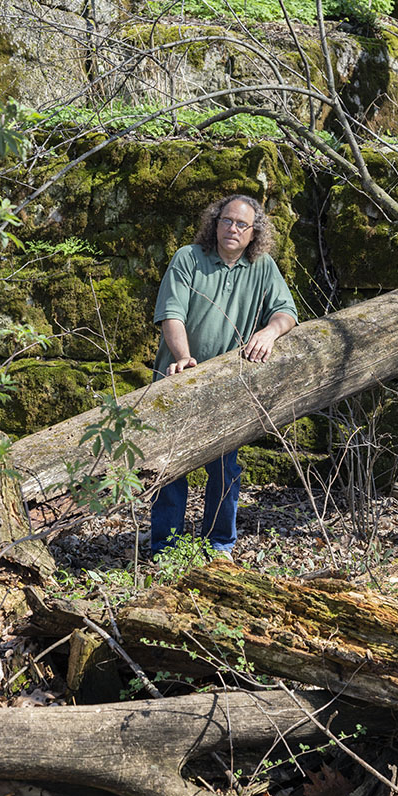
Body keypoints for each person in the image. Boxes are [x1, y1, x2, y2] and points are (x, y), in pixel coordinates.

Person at [151, 194, 298, 559]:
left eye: (242, 225)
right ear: (214, 224)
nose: (233, 229)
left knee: (225, 469)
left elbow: (286, 312)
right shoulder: (188, 258)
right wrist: (184, 358)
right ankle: (165, 549)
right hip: (178, 380)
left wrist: (269, 332)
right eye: (227, 221)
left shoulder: (262, 267)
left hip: (229, 387)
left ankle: (219, 546)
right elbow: (172, 314)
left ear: (254, 233)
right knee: (168, 470)